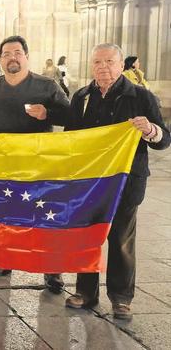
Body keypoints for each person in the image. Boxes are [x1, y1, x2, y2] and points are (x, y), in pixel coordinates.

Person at [65, 43, 169, 320]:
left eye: (109, 61)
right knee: (87, 237)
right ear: (91, 66)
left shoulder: (141, 97)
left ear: (121, 65)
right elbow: (69, 138)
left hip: (126, 182)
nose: (103, 67)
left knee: (122, 239)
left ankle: (121, 298)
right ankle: (85, 293)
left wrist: (149, 130)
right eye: (97, 62)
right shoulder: (82, 97)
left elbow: (164, 139)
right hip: (89, 182)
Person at [0, 35, 70, 293]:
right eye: (6, 54)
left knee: (44, 218)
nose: (12, 58)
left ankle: (52, 270)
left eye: (17, 53)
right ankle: (1, 260)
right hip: (0, 167)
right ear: (0, 59)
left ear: (26, 56)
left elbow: (71, 117)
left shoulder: (47, 86)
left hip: (38, 167)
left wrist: (48, 114)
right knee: (1, 216)